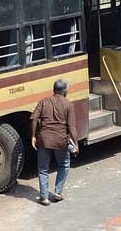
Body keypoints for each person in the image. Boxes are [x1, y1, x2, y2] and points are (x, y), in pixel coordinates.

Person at [30, 78, 78, 206]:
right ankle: (57, 192)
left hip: (44, 140)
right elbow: (72, 127)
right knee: (63, 165)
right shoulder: (68, 104)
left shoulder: (44, 101)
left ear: (54, 90)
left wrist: (33, 136)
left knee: (43, 168)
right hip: (61, 140)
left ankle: (44, 197)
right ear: (65, 91)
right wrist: (76, 144)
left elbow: (34, 118)